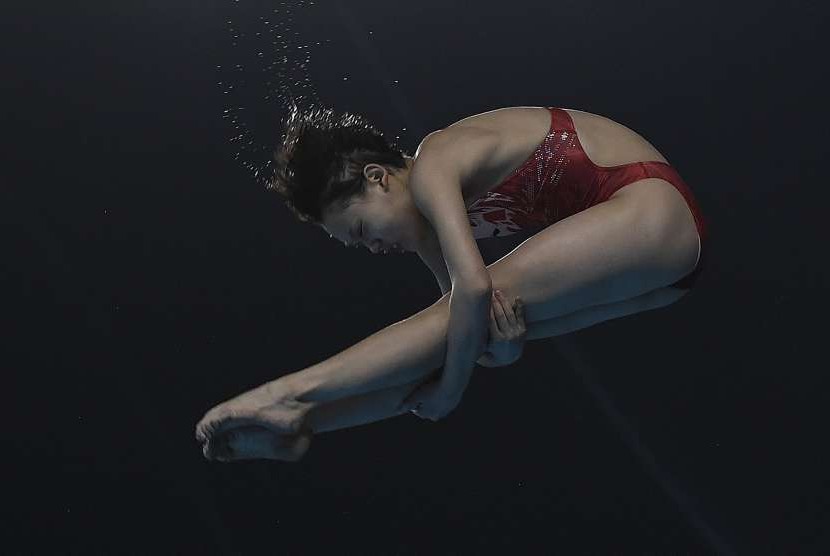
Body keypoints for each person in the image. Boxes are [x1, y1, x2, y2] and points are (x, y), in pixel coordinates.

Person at [195, 103, 708, 462]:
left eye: (362, 230)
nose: (374, 249)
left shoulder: (433, 164)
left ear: (377, 177)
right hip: (663, 275)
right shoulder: (427, 230)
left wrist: (451, 393)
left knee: (454, 323)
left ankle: (288, 395)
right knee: (449, 335)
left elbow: (475, 296)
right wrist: (502, 350)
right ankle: (304, 426)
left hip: (648, 205)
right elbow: (471, 335)